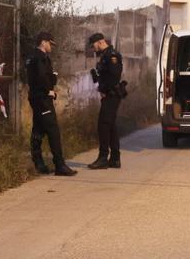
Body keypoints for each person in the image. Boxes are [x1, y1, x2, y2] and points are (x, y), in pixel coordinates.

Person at [25, 32, 77, 176]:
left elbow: (34, 78)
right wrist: (49, 89)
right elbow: (42, 78)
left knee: (38, 129)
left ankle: (39, 164)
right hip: (42, 99)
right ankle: (60, 165)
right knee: (53, 131)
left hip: (35, 98)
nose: (51, 47)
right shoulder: (41, 58)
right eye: (50, 43)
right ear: (43, 42)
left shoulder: (30, 57)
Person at [87, 33, 125, 170]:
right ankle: (115, 159)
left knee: (103, 124)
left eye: (93, 45)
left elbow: (114, 76)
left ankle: (103, 158)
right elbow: (105, 75)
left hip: (112, 94)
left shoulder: (112, 55)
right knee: (111, 126)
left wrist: (104, 89)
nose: (93, 48)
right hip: (108, 94)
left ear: (100, 42)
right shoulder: (105, 56)